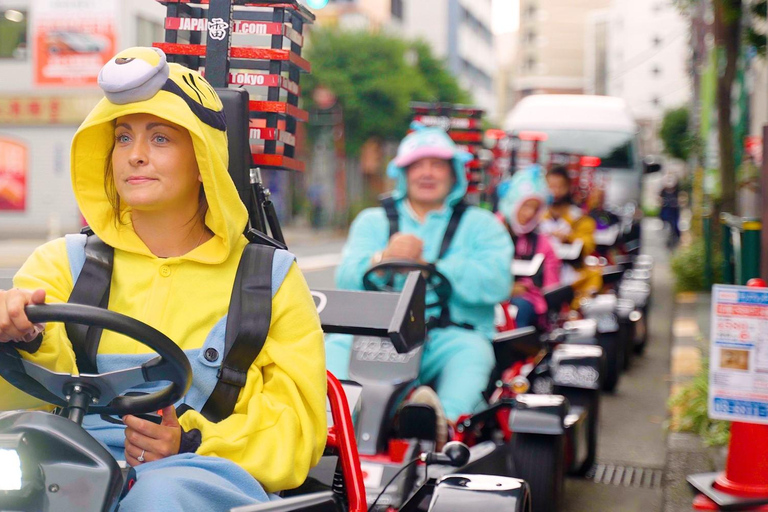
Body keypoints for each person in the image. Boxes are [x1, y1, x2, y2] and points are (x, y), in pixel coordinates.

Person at [0, 47, 326, 511]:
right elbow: (15, 400)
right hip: (66, 463)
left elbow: (299, 432)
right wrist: (18, 335)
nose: (134, 156)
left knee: (156, 497)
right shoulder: (60, 262)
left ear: (204, 160)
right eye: (123, 137)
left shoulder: (269, 279)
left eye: (160, 139)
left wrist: (190, 440)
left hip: (203, 473)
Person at [326, 124, 513, 445]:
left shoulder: (482, 224)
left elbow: (497, 283)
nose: (427, 173)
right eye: (418, 164)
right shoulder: (373, 221)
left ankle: (444, 426)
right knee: (329, 350)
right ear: (403, 173)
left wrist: (431, 268)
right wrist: (382, 258)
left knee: (473, 355)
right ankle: (334, 430)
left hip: (449, 336)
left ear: (454, 174)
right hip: (374, 337)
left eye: (437, 164)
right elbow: (346, 278)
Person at [497, 164, 561, 328]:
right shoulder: (491, 233)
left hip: (526, 306)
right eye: (525, 206)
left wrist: (528, 288)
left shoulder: (543, 242)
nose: (529, 213)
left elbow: (551, 286)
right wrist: (505, 289)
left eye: (535, 208)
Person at [540, 165, 601, 300]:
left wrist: (569, 238)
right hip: (541, 273)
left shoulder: (579, 217)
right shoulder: (536, 216)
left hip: (571, 275)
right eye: (550, 186)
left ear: (568, 188)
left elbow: (588, 245)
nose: (554, 191)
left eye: (559, 186)